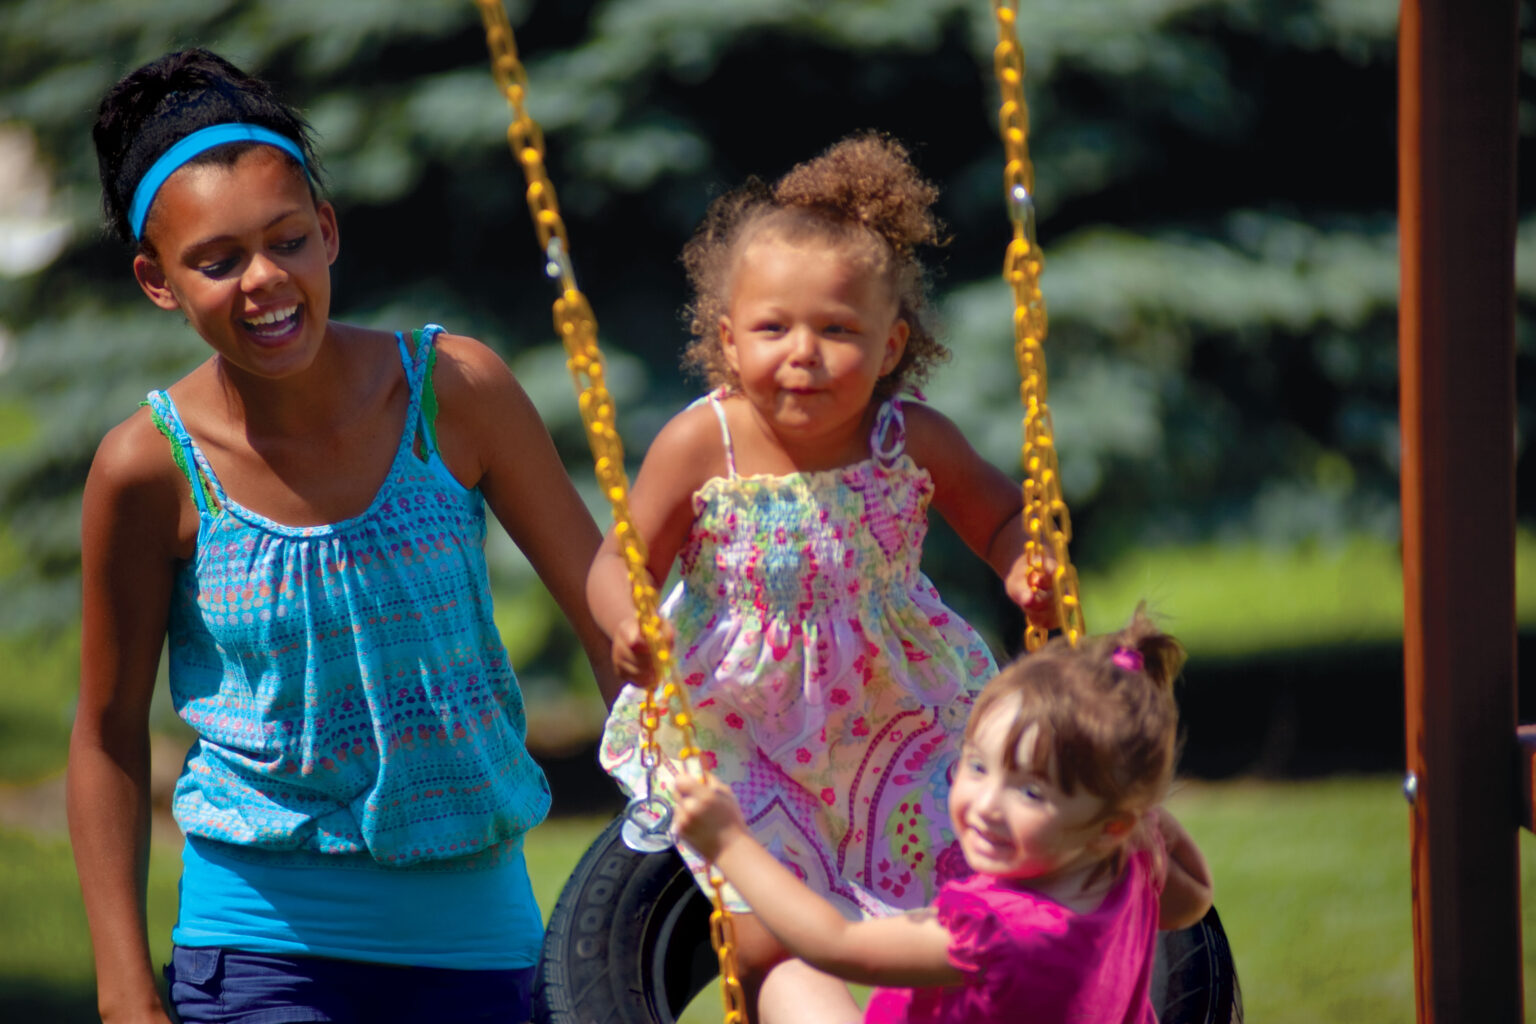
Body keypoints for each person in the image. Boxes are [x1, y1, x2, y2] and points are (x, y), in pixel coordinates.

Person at [69, 48, 619, 1024]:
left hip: (484, 946)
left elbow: (606, 609)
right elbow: (108, 736)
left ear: (327, 232)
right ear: (159, 282)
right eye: (218, 260)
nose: (263, 280)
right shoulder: (148, 468)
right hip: (261, 953)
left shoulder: (456, 393)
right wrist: (124, 994)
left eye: (286, 240)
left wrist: (701, 814)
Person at [586, 132, 1053, 1023]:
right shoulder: (702, 442)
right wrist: (628, 623)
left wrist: (1022, 561)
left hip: (900, 707)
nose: (803, 353)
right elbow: (621, 560)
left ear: (889, 346)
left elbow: (998, 513)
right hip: (739, 722)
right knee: (767, 937)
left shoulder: (910, 436)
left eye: (838, 330)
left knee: (958, 902)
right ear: (728, 339)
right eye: (774, 328)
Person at [674, 610, 1216, 1024]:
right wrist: (1142, 818)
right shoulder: (1125, 866)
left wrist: (729, 842)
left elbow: (839, 945)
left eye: (1030, 791)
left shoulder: (999, 929)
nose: (986, 804)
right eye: (978, 765)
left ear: (1108, 824)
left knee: (789, 974)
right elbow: (1197, 897)